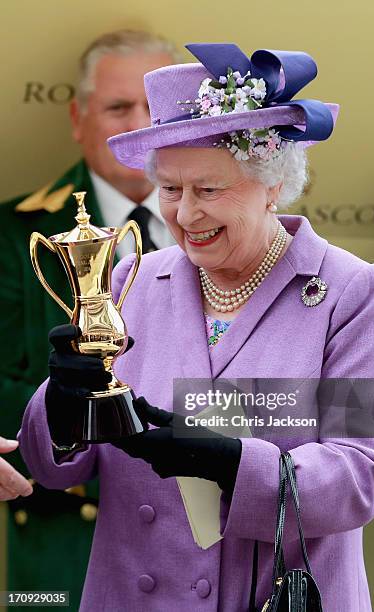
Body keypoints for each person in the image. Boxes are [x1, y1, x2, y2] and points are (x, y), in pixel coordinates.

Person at [19, 43, 374, 611]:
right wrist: (62, 406)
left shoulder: (354, 292)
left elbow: (362, 473)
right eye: (170, 189)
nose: (185, 214)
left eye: (210, 190)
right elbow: (56, 469)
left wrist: (227, 462)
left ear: (273, 184)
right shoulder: (134, 279)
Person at [0, 29, 176, 607]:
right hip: (64, 540)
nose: (139, 123)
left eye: (155, 106)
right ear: (78, 118)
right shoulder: (10, 236)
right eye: (118, 106)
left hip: (199, 541)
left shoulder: (227, 232)